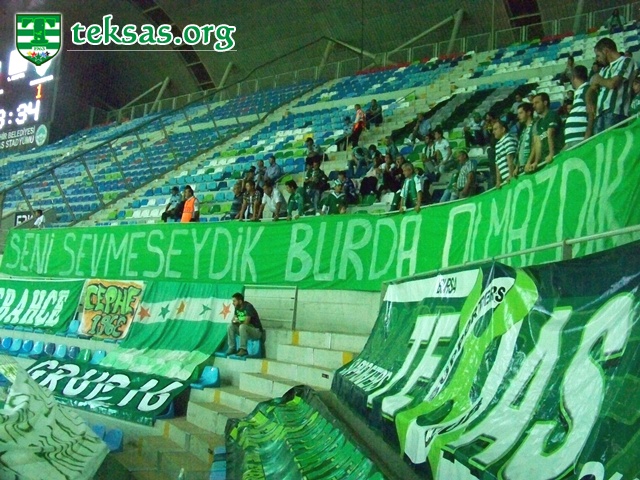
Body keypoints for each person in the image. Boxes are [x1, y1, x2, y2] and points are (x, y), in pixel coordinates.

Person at [587, 37, 636, 135]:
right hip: (599, 115)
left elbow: (613, 83)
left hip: (616, 112)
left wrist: (598, 79)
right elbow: (590, 89)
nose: (597, 59)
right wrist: (589, 102)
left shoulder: (626, 61)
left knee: (613, 143)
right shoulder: (604, 70)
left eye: (598, 55)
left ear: (606, 51)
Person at [525, 93, 564, 172]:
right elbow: (538, 144)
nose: (534, 106)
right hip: (545, 159)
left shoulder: (552, 115)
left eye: (537, 103)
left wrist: (551, 153)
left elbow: (550, 133)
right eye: (533, 104)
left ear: (545, 103)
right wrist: (536, 162)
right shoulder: (539, 123)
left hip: (557, 156)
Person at [226, 292, 263, 357]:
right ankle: (232, 347)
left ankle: (243, 349)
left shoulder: (248, 307)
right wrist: (234, 321)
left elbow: (246, 323)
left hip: (256, 331)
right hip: (244, 331)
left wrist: (238, 321)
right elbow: (233, 319)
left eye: (234, 301)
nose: (233, 303)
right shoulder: (237, 307)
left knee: (242, 326)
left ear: (240, 301)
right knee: (230, 326)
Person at [565, 65, 590, 147]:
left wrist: (587, 135)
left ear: (573, 77)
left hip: (580, 137)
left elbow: (591, 112)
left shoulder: (586, 89)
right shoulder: (579, 91)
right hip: (573, 138)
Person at [493, 119, 518, 188]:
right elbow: (497, 163)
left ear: (503, 129)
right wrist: (498, 181)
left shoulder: (508, 139)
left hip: (513, 178)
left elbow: (510, 158)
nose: (493, 132)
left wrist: (511, 174)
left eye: (495, 129)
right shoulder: (497, 144)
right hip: (506, 180)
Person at [516, 102, 534, 171]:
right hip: (522, 167)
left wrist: (529, 162)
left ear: (528, 113)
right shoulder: (523, 130)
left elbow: (534, 145)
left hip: (531, 165)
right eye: (518, 114)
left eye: (521, 113)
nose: (518, 116)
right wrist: (517, 166)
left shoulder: (534, 126)